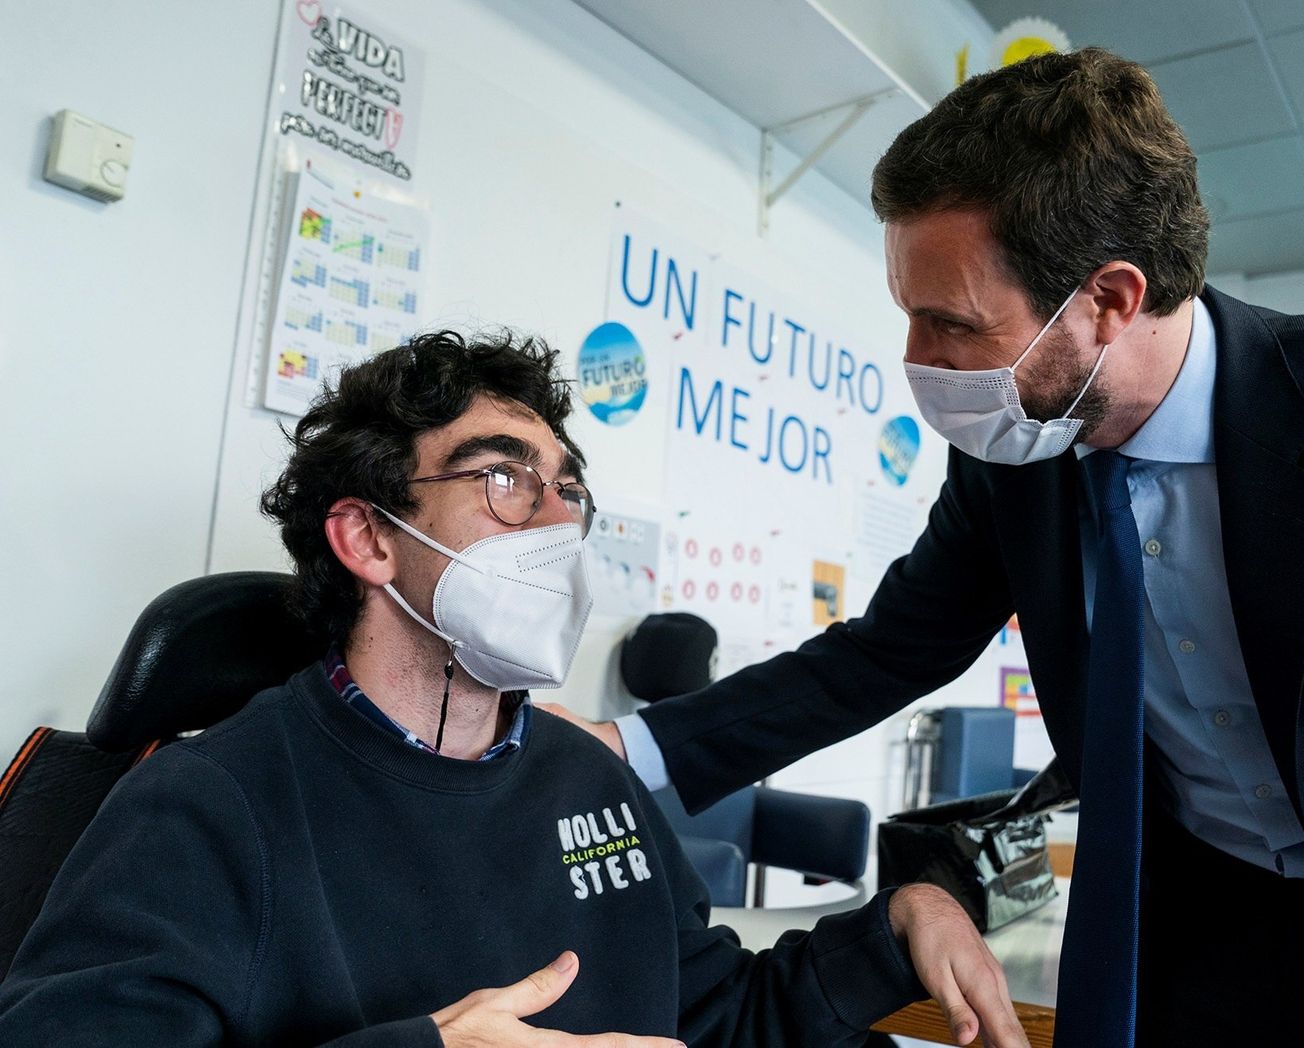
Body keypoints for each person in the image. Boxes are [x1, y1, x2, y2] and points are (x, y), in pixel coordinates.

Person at [547, 48, 1304, 1047]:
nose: (919, 360)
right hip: (1193, 924)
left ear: (1110, 299)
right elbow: (886, 651)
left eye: (954, 323)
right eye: (909, 316)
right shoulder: (1018, 450)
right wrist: (627, 749)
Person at [0, 331, 1027, 1048]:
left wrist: (898, 925)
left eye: (566, 486)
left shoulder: (588, 779)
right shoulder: (208, 804)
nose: (554, 517)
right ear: (367, 538)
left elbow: (708, 1016)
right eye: (502, 478)